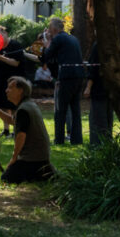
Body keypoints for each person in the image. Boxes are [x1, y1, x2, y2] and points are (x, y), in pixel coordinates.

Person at [0, 76, 54, 184]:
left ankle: (35, 175)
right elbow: (11, 120)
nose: (6, 91)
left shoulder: (23, 110)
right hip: (42, 158)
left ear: (20, 90)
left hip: (32, 160)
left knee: (6, 178)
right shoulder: (28, 105)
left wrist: (14, 159)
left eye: (10, 88)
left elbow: (20, 136)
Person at [42, 17, 84, 145]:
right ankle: (77, 139)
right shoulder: (73, 38)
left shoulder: (58, 38)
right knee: (76, 110)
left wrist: (47, 41)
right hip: (78, 76)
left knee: (61, 110)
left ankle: (59, 139)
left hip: (66, 77)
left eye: (49, 29)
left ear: (54, 29)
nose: (49, 31)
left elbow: (47, 55)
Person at [0, 26, 28, 138]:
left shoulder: (15, 45)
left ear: (5, 33)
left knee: (14, 107)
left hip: (14, 81)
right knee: (3, 106)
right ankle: (6, 130)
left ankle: (16, 130)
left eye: (0, 34)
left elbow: (16, 63)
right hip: (0, 80)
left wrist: (1, 58)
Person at [84, 40, 113, 144]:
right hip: (110, 89)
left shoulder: (98, 45)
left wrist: (88, 87)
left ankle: (97, 146)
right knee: (108, 120)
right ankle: (108, 145)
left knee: (97, 121)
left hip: (99, 89)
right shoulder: (113, 44)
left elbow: (93, 69)